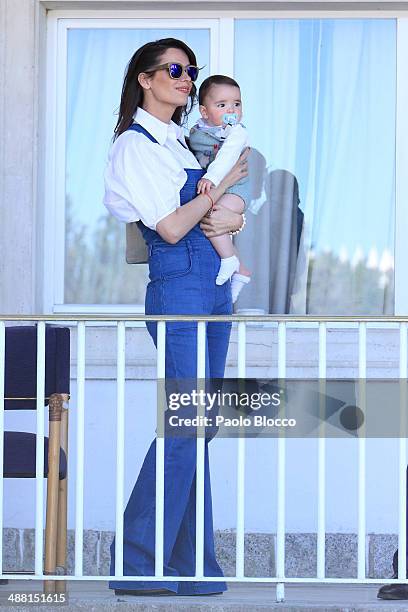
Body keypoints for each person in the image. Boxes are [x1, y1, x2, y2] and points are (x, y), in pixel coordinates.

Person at [103, 38, 249, 597]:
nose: (186, 79)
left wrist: (223, 212)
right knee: (186, 423)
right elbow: (168, 227)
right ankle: (139, 564)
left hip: (211, 289)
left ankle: (190, 567)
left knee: (200, 424)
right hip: (179, 287)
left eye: (191, 71)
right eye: (173, 69)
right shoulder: (134, 146)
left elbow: (211, 217)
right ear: (144, 78)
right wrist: (225, 190)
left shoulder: (184, 144)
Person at [189, 75, 251, 303]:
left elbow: (226, 158)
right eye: (222, 105)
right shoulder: (199, 130)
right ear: (205, 112)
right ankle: (241, 270)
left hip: (236, 189)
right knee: (208, 215)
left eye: (237, 104)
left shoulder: (236, 133)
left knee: (211, 215)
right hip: (221, 188)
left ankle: (229, 259)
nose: (232, 110)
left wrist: (212, 178)